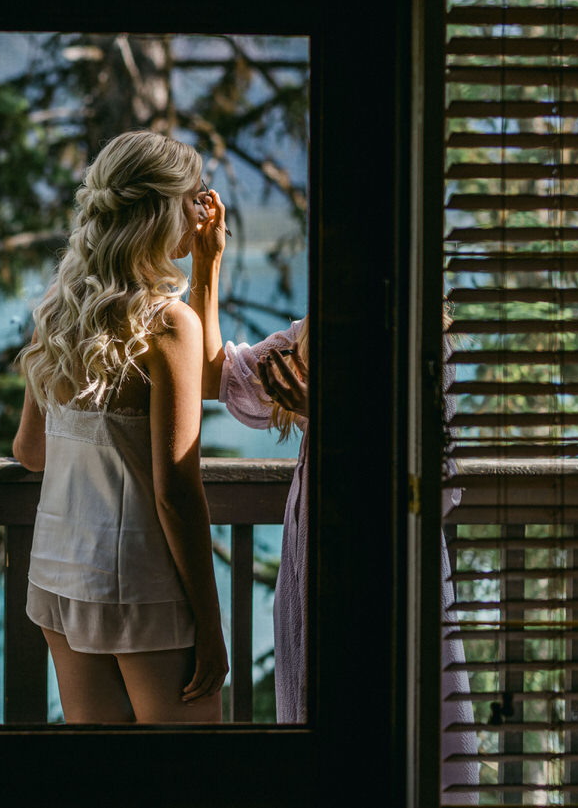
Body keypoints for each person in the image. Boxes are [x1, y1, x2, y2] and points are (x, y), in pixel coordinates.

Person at [190, 240, 479, 799]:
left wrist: (323, 412)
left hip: (386, 571)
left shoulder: (424, 347)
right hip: (315, 564)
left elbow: (434, 484)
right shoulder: (310, 336)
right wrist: (208, 264)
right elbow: (215, 378)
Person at [12, 130, 229, 724]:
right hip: (144, 586)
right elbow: (176, 492)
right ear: (161, 210)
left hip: (61, 577)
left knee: (104, 780)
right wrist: (210, 626)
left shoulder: (59, 309)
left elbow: (31, 452)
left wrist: (207, 263)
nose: (204, 208)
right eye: (194, 195)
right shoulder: (168, 325)